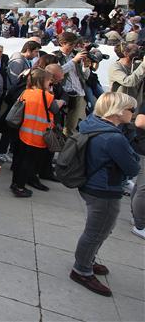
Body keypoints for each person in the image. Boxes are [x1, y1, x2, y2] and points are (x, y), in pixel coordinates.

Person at [70, 92, 140, 297]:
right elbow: (133, 167)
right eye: (130, 109)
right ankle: (81, 270)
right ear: (117, 112)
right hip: (104, 189)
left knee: (97, 228)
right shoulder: (113, 138)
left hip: (91, 184)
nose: (133, 113)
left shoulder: (93, 123)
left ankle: (86, 260)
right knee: (98, 231)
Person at [12, 69, 64, 197]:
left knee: (20, 161)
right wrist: (58, 99)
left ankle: (15, 184)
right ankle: (20, 187)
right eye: (48, 81)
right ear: (42, 81)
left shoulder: (26, 92)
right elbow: (55, 109)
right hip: (38, 136)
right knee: (29, 164)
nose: (50, 83)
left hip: (23, 133)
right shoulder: (48, 96)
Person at [54, 32, 90, 135]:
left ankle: (67, 147)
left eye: (74, 45)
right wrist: (74, 60)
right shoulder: (55, 55)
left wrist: (85, 66)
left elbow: (85, 76)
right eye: (70, 45)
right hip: (63, 93)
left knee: (72, 126)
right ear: (62, 43)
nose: (73, 47)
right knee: (59, 125)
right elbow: (58, 72)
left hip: (78, 93)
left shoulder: (75, 55)